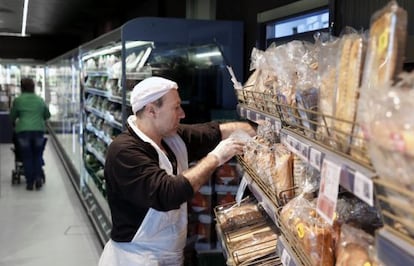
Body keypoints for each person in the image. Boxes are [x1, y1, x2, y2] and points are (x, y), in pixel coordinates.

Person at [99, 76, 256, 265]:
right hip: (136, 258)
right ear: (151, 111)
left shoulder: (171, 137)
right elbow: (168, 193)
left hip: (169, 255)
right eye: (176, 107)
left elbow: (215, 132)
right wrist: (216, 158)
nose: (182, 114)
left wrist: (260, 128)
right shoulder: (124, 151)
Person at [10, 77, 51, 190]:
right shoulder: (39, 100)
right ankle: (38, 178)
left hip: (23, 131)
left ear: (21, 88)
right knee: (37, 155)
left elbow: (12, 116)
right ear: (33, 87)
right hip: (38, 130)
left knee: (27, 157)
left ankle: (29, 183)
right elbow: (47, 115)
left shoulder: (18, 100)